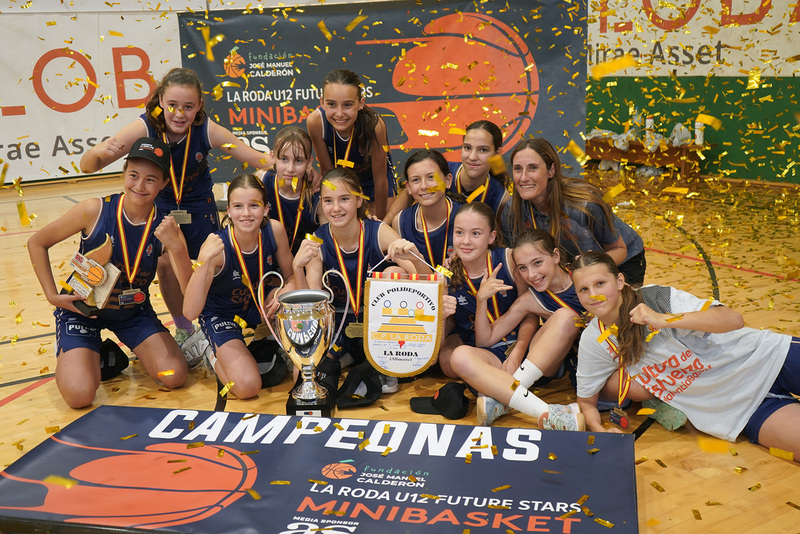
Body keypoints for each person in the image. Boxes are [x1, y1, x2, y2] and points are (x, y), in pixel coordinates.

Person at [80, 67, 275, 347]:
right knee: (165, 263)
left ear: (198, 108)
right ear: (160, 101)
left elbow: (254, 157)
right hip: (161, 203)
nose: (179, 114)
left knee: (210, 263)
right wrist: (97, 152)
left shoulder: (206, 128)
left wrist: (292, 167)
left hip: (199, 204)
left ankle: (215, 321)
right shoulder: (144, 126)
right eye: (172, 105)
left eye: (188, 107)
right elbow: (88, 166)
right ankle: (184, 328)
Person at [571, 250, 800, 460]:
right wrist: (599, 431)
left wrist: (665, 319)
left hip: (769, 357)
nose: (594, 295)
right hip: (737, 407)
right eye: (584, 289)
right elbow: (586, 401)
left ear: (620, 281)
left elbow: (733, 320)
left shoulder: (655, 298)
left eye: (600, 283)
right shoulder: (595, 341)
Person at [29, 137, 192, 408]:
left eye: (151, 179)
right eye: (134, 176)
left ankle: (108, 353)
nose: (140, 185)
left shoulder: (168, 224)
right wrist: (51, 295)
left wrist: (177, 249)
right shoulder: (94, 210)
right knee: (79, 396)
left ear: (164, 183)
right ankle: (95, 353)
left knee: (173, 376)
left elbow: (189, 289)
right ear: (123, 173)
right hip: (81, 311)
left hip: (132, 313)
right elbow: (37, 242)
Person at [293, 168, 428, 395]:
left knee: (394, 273)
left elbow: (426, 280)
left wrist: (414, 255)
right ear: (321, 204)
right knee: (303, 376)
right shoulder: (316, 242)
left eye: (344, 199)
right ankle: (353, 357)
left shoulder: (379, 232)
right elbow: (311, 308)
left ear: (358, 200)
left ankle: (388, 360)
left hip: (380, 327)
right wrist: (297, 268)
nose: (336, 208)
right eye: (328, 201)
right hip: (341, 326)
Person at [449, 230, 587, 429]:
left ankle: (500, 400)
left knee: (566, 316)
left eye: (538, 263)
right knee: (459, 356)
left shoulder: (584, 276)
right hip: (546, 364)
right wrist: (481, 300)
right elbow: (485, 341)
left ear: (556, 256)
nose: (531, 275)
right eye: (523, 268)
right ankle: (546, 412)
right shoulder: (530, 299)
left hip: (593, 363)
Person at [182, 174, 296, 400]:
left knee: (291, 296)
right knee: (247, 387)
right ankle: (208, 348)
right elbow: (190, 312)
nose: (245, 213)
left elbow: (291, 275)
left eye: (253, 205)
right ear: (229, 211)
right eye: (238, 206)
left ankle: (268, 338)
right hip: (221, 313)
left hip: (257, 306)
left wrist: (285, 290)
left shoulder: (274, 231)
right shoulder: (217, 246)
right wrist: (203, 261)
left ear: (265, 209)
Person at [501, 138, 646, 286]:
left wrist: (590, 268)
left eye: (533, 168)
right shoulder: (512, 211)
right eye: (518, 168)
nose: (524, 177)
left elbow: (619, 250)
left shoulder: (584, 205)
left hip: (623, 262)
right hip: (574, 269)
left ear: (551, 170)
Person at [438, 202, 532, 388]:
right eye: (459, 232)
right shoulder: (446, 273)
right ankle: (501, 385)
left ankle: (491, 386)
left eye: (475, 233)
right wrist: (440, 316)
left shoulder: (509, 259)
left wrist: (518, 353)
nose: (465, 241)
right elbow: (446, 329)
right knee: (447, 362)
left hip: (514, 341)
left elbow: (530, 312)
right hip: (476, 347)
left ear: (491, 237)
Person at [306, 68, 396, 219]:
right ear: (322, 102)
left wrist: (380, 221)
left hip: (372, 182)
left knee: (380, 221)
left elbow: (380, 180)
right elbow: (327, 170)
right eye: (332, 104)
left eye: (347, 105)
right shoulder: (316, 122)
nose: (339, 113)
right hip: (340, 180)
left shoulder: (374, 126)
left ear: (360, 103)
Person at [384, 120, 510, 223]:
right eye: (467, 148)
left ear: (497, 154)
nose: (472, 156)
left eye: (483, 150)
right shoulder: (442, 172)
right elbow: (409, 192)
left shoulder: (500, 197)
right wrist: (384, 225)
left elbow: (496, 238)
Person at [392, 149, 461, 271]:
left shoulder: (466, 217)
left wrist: (442, 275)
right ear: (408, 187)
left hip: (457, 284)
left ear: (448, 180)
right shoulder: (401, 221)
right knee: (393, 272)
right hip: (421, 285)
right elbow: (416, 274)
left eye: (431, 177)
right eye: (416, 180)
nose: (424, 186)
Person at [256, 126, 320, 255]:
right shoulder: (262, 180)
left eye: (298, 161)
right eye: (284, 159)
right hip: (266, 262)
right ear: (273, 157)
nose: (290, 168)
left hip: (304, 264)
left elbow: (326, 239)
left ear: (309, 163)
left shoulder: (317, 195)